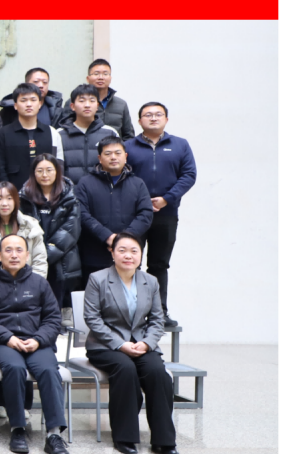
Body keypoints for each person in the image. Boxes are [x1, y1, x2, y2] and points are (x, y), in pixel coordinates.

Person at [0, 234, 70, 454]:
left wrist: (39, 339)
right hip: (2, 343)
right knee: (14, 368)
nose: (14, 255)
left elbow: (53, 318)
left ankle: (54, 435)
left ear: (27, 254)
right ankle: (17, 428)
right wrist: (7, 337)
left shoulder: (39, 282)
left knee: (48, 370)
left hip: (36, 342)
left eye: (19, 250)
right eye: (8, 250)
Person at [82, 233, 178, 454]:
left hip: (141, 344)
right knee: (125, 369)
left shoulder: (150, 281)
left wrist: (146, 343)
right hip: (105, 345)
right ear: (112, 253)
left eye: (134, 251)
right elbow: (92, 319)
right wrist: (120, 344)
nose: (128, 255)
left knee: (158, 373)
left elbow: (157, 319)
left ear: (141, 255)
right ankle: (124, 437)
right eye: (122, 250)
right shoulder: (98, 279)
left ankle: (164, 440)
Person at [125, 102, 197, 327]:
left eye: (158, 114)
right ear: (139, 121)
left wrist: (167, 198)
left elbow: (189, 175)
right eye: (148, 115)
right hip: (135, 215)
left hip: (166, 214)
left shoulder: (180, 145)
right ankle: (131, 313)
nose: (153, 118)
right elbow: (122, 176)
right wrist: (141, 200)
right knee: (130, 264)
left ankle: (159, 313)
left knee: (159, 265)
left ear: (166, 119)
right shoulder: (128, 146)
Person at [74, 137, 153, 279]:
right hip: (94, 254)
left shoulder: (138, 183)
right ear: (99, 158)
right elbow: (82, 214)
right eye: (108, 153)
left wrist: (123, 240)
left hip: (128, 257)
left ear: (125, 156)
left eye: (118, 153)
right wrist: (107, 236)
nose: (113, 157)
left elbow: (146, 214)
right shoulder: (85, 183)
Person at [20, 155, 81, 327]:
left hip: (61, 256)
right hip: (32, 255)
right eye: (39, 170)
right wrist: (37, 254)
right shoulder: (24, 196)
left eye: (49, 170)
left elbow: (71, 229)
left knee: (56, 294)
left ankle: (54, 326)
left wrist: (45, 254)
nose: (44, 175)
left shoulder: (69, 196)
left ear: (57, 172)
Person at [0, 83, 65, 190]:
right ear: (15, 105)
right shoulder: (3, 134)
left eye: (33, 100)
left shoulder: (52, 132)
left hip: (46, 193)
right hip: (14, 193)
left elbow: (59, 165)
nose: (29, 104)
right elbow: (0, 168)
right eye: (23, 100)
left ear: (40, 104)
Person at [0, 182, 49, 275]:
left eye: (9, 198)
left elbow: (40, 261)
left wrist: (33, 283)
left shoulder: (31, 225)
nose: (4, 203)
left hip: (28, 281)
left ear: (16, 200)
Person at [59, 84, 120, 184]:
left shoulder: (110, 132)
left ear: (97, 106)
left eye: (92, 100)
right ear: (72, 106)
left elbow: (118, 165)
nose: (87, 105)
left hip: (102, 190)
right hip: (70, 191)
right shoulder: (60, 134)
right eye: (82, 101)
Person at [69, 59, 135, 139]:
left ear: (110, 78)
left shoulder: (121, 104)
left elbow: (128, 135)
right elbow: (67, 128)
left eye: (105, 74)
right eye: (96, 74)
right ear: (88, 78)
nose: (101, 77)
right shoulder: (75, 102)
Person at [0, 67, 70, 128]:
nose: (41, 85)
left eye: (45, 82)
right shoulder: (9, 109)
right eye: (36, 81)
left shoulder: (56, 110)